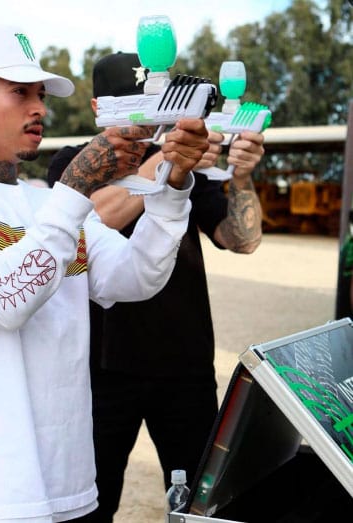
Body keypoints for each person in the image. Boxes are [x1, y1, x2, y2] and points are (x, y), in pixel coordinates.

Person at [0, 26, 211, 523]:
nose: (38, 107)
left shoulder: (43, 200)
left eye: (39, 94)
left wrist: (172, 188)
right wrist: (76, 187)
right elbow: (0, 301)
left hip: (71, 487)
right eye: (19, 92)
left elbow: (136, 276)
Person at [47, 52, 265, 522]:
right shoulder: (73, 163)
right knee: (90, 504)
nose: (148, 122)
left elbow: (240, 239)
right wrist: (165, 166)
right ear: (98, 108)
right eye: (134, 109)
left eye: (155, 106)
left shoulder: (185, 160)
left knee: (204, 507)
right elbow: (84, 222)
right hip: (101, 371)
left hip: (183, 364)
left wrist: (241, 177)